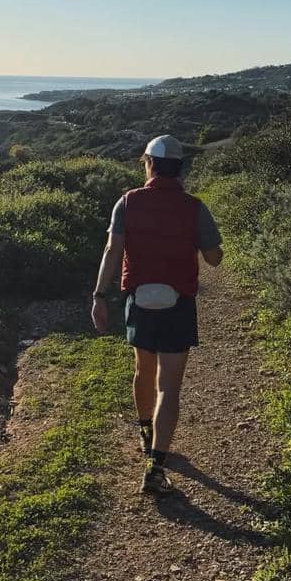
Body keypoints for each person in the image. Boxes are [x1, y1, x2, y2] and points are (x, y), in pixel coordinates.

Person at [91, 135, 223, 494]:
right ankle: (156, 464)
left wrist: (99, 295)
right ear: (179, 167)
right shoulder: (195, 207)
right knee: (169, 386)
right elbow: (213, 257)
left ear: (149, 164)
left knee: (142, 371)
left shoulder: (127, 202)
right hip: (177, 304)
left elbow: (112, 251)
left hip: (140, 301)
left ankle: (144, 430)